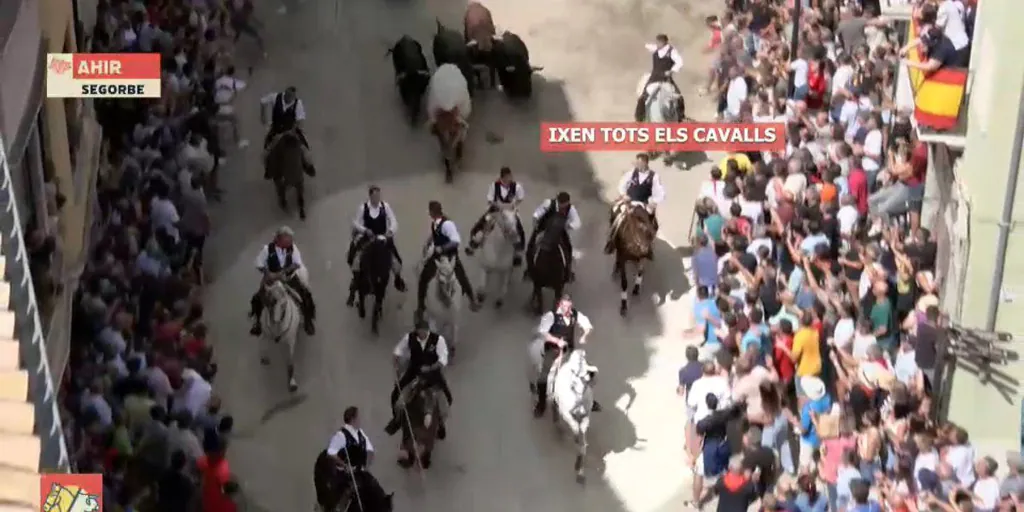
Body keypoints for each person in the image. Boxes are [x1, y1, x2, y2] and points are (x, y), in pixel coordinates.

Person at [533, 293, 602, 416]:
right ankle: (541, 403)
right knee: (543, 377)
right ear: (560, 305)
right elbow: (542, 332)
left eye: (570, 307)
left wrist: (585, 335)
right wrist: (557, 341)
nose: (568, 310)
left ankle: (589, 400)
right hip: (553, 351)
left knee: (586, 372)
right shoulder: (551, 316)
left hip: (569, 351)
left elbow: (588, 325)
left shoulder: (575, 314)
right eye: (566, 307)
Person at [384, 319, 452, 438]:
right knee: (395, 395)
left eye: (423, 332)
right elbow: (398, 350)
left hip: (432, 373)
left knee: (447, 398)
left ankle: (441, 424)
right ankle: (397, 419)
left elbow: (443, 359)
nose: (421, 334)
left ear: (427, 330)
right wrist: (396, 364)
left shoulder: (438, 340)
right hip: (414, 371)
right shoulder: (409, 337)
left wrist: (430, 367)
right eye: (418, 332)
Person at [249, 226, 316, 335]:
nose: (290, 242)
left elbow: (297, 263)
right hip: (271, 280)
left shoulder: (293, 248)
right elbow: (259, 264)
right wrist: (268, 273)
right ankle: (257, 323)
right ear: (279, 239)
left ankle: (308, 321)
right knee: (257, 298)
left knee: (305, 295)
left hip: (289, 278)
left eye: (290, 240)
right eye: (288, 240)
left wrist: (284, 272)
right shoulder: (267, 250)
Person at [416, 201, 479, 315]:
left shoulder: (447, 225)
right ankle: (421, 306)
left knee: (461, 276)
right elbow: (435, 233)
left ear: (432, 212)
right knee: (424, 278)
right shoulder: (436, 223)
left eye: (430, 211)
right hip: (437, 256)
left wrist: (443, 248)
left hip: (449, 256)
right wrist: (429, 241)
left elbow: (455, 241)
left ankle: (472, 299)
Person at [321, 407, 388, 505]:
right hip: (347, 473)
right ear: (352, 420)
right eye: (358, 417)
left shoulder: (360, 433)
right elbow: (331, 453)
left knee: (375, 488)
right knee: (348, 496)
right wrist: (344, 465)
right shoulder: (341, 435)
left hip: (361, 470)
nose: (360, 420)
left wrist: (368, 461)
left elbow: (368, 448)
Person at [346, 185, 405, 290]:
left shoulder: (385, 206)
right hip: (368, 238)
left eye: (378, 196)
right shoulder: (363, 208)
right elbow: (356, 223)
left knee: (396, 259)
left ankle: (398, 278)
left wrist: (390, 231)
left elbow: (393, 220)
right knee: (355, 258)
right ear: (370, 196)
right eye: (375, 196)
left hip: (382, 237)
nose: (377, 199)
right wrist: (365, 230)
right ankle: (355, 280)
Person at [466, 166, 526, 266]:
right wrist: (497, 206)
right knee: (485, 223)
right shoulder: (494, 186)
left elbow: (520, 198)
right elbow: (490, 200)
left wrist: (513, 205)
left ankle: (518, 253)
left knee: (516, 228)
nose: (510, 179)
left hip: (509, 210)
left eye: (510, 176)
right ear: (503, 177)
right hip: (496, 208)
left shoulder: (517, 186)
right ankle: (474, 244)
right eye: (507, 177)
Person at [606, 153, 666, 253]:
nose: (637, 165)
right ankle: (612, 238)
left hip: (644, 204)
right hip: (629, 201)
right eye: (637, 162)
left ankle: (649, 242)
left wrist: (653, 201)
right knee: (616, 213)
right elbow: (622, 184)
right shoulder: (631, 173)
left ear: (646, 163)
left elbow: (660, 192)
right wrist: (624, 194)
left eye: (640, 163)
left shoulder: (654, 176)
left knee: (652, 224)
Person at [526, 191, 582, 281]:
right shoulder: (548, 203)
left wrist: (568, 225)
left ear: (568, 202)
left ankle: (567, 271)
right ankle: (529, 270)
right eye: (561, 204)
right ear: (557, 201)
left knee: (568, 248)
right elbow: (537, 213)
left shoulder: (571, 209)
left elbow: (577, 222)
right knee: (530, 247)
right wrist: (536, 221)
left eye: (565, 204)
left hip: (560, 231)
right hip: (544, 229)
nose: (562, 206)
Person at [260, 86, 315, 176]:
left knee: (305, 149)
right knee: (266, 152)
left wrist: (290, 131)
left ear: (293, 96)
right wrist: (263, 117)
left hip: (291, 131)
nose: (288, 98)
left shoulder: (298, 103)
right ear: (285, 93)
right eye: (287, 95)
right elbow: (262, 101)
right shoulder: (275, 97)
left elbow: (299, 121)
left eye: (291, 96)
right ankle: (269, 169)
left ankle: (308, 166)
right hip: (276, 130)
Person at [636, 34, 685, 121]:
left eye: (659, 43)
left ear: (664, 42)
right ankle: (639, 117)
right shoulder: (656, 48)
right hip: (654, 77)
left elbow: (680, 62)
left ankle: (681, 116)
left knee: (679, 96)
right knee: (643, 96)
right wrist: (640, 43)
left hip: (666, 78)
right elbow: (648, 46)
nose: (657, 44)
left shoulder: (672, 51)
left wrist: (671, 71)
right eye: (657, 42)